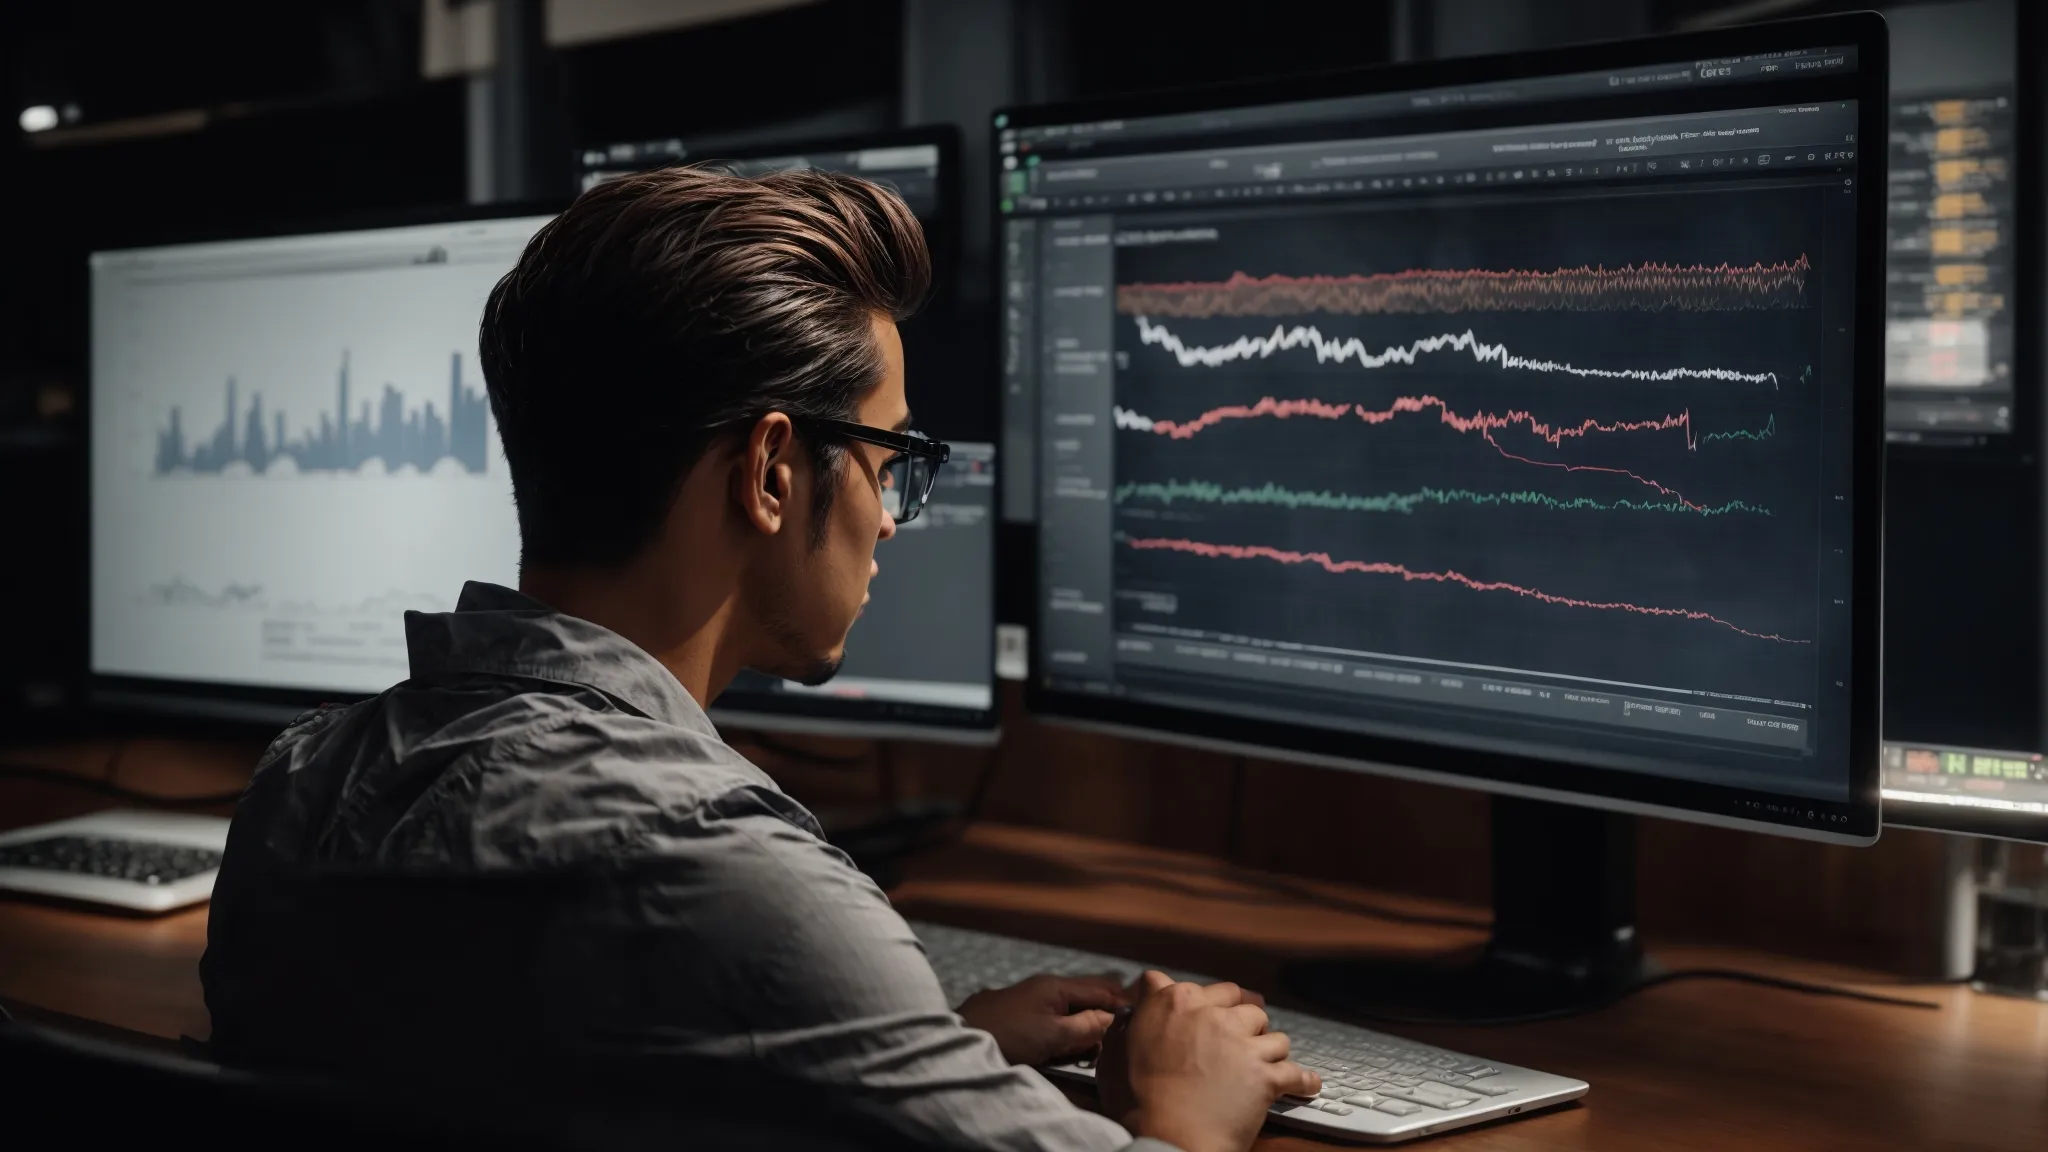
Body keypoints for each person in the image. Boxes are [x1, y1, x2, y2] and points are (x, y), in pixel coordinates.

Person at [200, 166, 1320, 1152]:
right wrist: (1179, 1109)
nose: (889, 518)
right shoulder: (723, 869)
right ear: (773, 471)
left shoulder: (299, 788)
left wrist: (920, 1046)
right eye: (890, 459)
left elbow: (548, 1064)